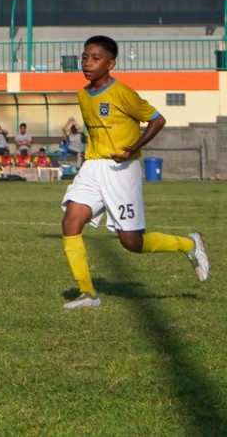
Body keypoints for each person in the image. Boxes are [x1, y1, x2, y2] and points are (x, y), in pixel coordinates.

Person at [60, 35, 209, 309]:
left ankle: (189, 245)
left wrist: (132, 148)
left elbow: (157, 119)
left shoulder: (123, 94)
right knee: (70, 223)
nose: (87, 63)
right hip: (93, 167)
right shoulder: (83, 94)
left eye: (95, 58)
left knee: (131, 242)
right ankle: (88, 294)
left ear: (110, 63)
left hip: (121, 170)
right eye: (84, 57)